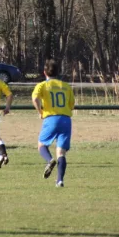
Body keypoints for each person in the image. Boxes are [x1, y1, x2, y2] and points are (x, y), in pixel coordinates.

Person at [32, 59, 75, 187]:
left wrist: (40, 111)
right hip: (66, 119)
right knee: (61, 152)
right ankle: (60, 180)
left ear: (44, 72)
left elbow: (35, 98)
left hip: (51, 118)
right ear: (58, 72)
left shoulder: (42, 85)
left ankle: (50, 160)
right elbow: (72, 105)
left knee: (41, 145)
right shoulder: (66, 86)